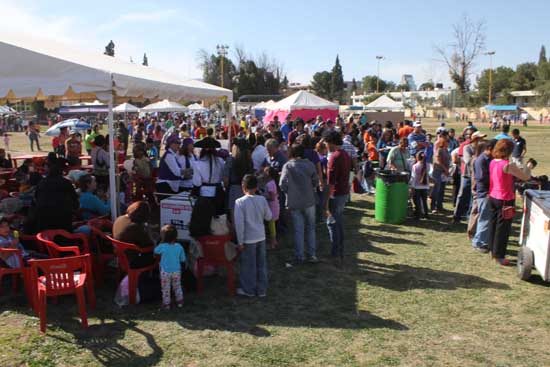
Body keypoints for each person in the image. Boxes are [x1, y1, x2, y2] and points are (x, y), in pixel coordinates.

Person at [487, 139, 530, 265]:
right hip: (505, 199)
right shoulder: (508, 164)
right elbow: (525, 177)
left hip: (493, 196)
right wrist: (528, 167)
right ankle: (499, 255)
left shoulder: (493, 162)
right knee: (503, 228)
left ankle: (492, 250)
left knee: (493, 225)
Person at [280, 144, 319, 264]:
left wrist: (289, 192)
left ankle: (300, 255)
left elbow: (282, 184)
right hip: (309, 200)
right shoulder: (310, 165)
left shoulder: (288, 166)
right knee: (311, 228)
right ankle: (312, 255)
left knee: (298, 230)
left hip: (294, 201)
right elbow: (315, 181)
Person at [234, 174, 272, 297]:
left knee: (248, 265)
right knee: (261, 264)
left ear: (243, 186)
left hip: (248, 239)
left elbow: (239, 224)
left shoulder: (239, 202)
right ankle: (262, 290)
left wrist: (239, 242)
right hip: (261, 236)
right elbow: (269, 216)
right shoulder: (262, 200)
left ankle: (248, 289)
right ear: (256, 187)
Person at [324, 131, 351, 265]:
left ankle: (336, 253)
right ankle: (340, 251)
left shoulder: (335, 157)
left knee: (332, 223)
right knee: (338, 222)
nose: (325, 145)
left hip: (336, 193)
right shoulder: (345, 154)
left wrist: (326, 202)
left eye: (326, 143)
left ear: (331, 143)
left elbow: (330, 182)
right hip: (344, 192)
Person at [33, 157, 79, 232]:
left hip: (43, 220)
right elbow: (75, 200)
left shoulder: (41, 182)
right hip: (62, 220)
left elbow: (36, 199)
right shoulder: (66, 183)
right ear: (61, 172)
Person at [113, 201, 155, 268]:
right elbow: (150, 245)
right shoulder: (135, 227)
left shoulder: (119, 218)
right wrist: (148, 230)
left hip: (120, 257)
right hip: (131, 261)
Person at [471, 140, 495, 252]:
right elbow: (481, 178)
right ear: (489, 148)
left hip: (488, 192)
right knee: (484, 218)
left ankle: (483, 241)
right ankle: (479, 243)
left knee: (487, 218)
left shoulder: (489, 159)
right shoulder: (481, 160)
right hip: (484, 192)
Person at [154, 225, 186, 309]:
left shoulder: (162, 246)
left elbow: (155, 251)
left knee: (166, 288)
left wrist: (161, 242)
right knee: (177, 286)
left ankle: (166, 304)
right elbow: (183, 259)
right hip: (177, 271)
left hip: (165, 271)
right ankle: (180, 302)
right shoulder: (179, 246)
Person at [223, 138, 253, 215]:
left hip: (234, 190)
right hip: (248, 191)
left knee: (234, 216)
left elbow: (225, 180)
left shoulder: (231, 160)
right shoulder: (250, 161)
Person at [430, 135, 450, 213]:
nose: (448, 143)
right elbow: (438, 161)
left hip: (444, 173)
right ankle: (433, 206)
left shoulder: (446, 150)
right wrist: (445, 169)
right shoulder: (439, 150)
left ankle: (439, 206)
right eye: (447, 142)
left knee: (442, 189)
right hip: (438, 172)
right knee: (436, 189)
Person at [411, 151, 430, 220]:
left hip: (417, 186)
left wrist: (412, 187)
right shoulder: (427, 165)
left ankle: (418, 214)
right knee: (424, 201)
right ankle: (426, 214)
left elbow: (414, 177)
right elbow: (428, 176)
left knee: (417, 201)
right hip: (425, 186)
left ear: (417, 157)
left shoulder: (415, 166)